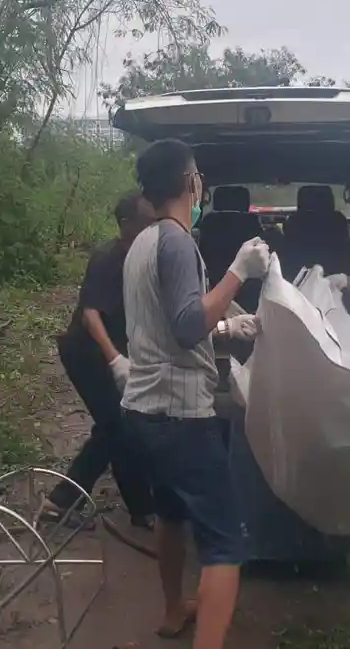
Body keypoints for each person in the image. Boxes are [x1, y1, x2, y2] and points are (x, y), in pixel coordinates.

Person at [119, 139, 271, 649]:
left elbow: (166, 324)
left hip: (142, 411)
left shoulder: (143, 241)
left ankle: (172, 610)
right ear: (189, 184)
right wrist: (238, 272)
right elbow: (185, 326)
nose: (201, 183)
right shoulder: (179, 242)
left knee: (172, 512)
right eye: (199, 176)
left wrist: (226, 327)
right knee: (225, 544)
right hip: (179, 413)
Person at [38, 192, 156, 530]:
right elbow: (91, 315)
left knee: (119, 425)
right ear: (126, 225)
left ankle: (138, 505)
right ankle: (63, 501)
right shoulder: (109, 257)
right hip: (87, 352)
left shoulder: (140, 255)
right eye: (147, 224)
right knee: (118, 425)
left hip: (111, 350)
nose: (153, 230)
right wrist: (115, 359)